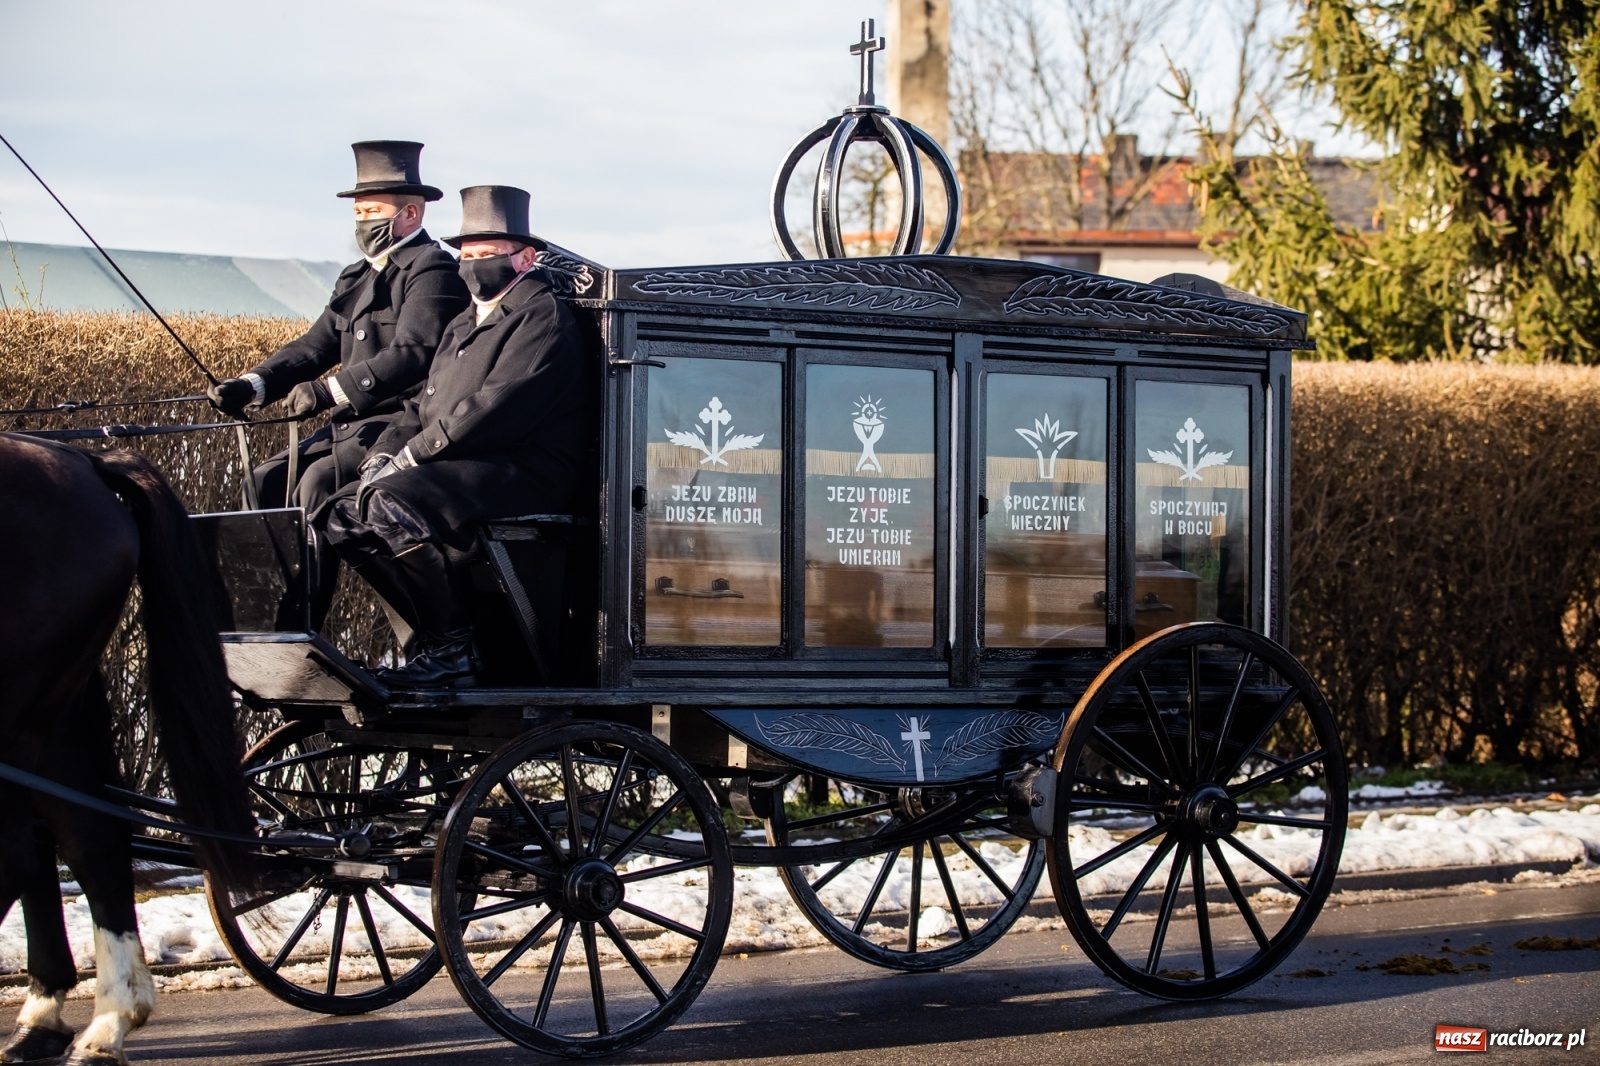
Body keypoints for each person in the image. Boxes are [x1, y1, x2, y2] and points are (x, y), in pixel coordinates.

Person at [318, 185, 592, 688]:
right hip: (466, 463)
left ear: (525, 258)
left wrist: (413, 458)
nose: (472, 266)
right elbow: (419, 405)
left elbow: (495, 410)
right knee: (339, 512)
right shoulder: (464, 320)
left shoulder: (543, 318)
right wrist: (381, 455)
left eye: (487, 256)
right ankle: (431, 636)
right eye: (466, 255)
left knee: (388, 502)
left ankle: (454, 649)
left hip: (523, 468)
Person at [206, 140, 470, 514]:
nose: (363, 223)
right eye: (359, 213)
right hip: (348, 429)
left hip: (399, 424)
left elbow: (414, 351)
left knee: (316, 486)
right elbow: (313, 347)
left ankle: (317, 575)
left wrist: (332, 391)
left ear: (410, 213)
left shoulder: (432, 269)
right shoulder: (355, 277)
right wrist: (251, 385)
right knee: (262, 481)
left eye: (373, 212)